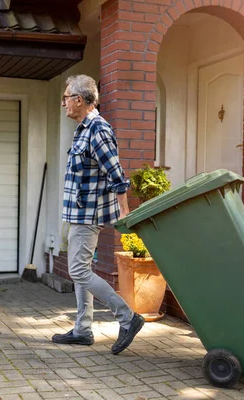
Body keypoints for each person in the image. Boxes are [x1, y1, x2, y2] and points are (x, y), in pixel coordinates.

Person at [52, 74, 144, 355]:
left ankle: (127, 318)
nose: (64, 103)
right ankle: (82, 329)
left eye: (66, 97)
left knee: (78, 270)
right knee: (82, 271)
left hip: (87, 215)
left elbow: (117, 176)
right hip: (77, 213)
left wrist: (125, 213)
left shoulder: (97, 130)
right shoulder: (83, 129)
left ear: (79, 100)